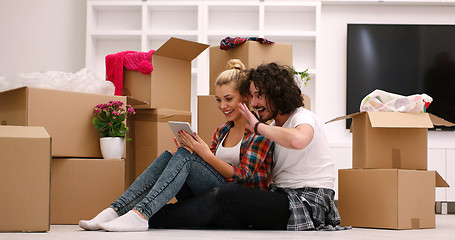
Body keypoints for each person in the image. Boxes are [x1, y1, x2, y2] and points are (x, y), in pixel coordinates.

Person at [78, 59, 274, 232]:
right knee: (171, 156)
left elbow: (243, 176)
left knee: (187, 158)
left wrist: (204, 155)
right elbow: (212, 169)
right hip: (212, 198)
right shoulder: (222, 131)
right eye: (218, 100)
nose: (223, 106)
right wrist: (196, 152)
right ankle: (115, 210)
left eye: (228, 99)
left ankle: (141, 214)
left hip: (237, 209)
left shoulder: (260, 132)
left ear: (245, 97)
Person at [147, 62, 347, 231]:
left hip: (307, 202)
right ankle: (137, 211)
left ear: (278, 94)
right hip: (281, 195)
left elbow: (298, 140)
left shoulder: (303, 117)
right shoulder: (275, 127)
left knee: (226, 195)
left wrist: (258, 127)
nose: (254, 103)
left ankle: (151, 217)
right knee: (211, 194)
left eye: (259, 96)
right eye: (251, 96)